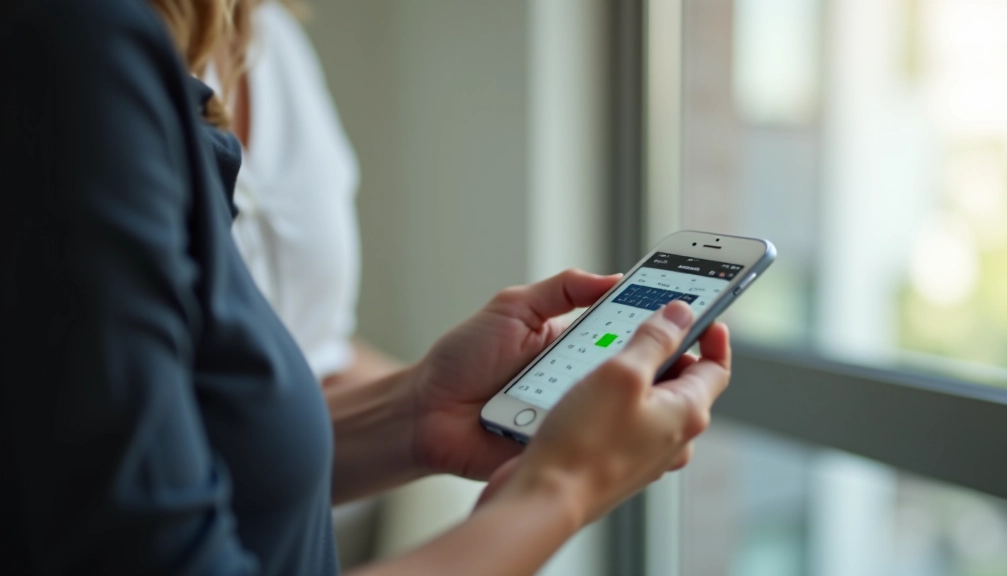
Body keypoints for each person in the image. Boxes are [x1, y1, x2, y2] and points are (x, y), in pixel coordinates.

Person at [0, 1, 732, 575]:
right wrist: (565, 487)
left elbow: (194, 432)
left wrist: (419, 415)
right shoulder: (73, 52)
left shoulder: (256, 38)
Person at [206, 1, 400, 564]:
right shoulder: (95, 64)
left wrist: (493, 401)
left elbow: (316, 353)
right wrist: (562, 488)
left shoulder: (274, 39)